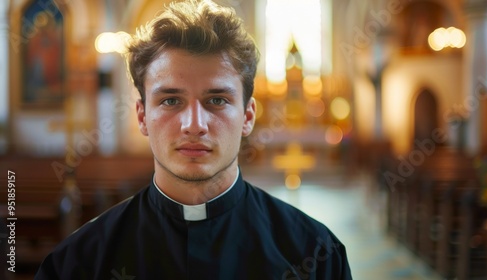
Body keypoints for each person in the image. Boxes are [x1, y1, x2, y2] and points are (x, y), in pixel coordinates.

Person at [35, 0, 352, 279]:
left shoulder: (315, 253)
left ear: (248, 116)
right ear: (142, 116)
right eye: (171, 101)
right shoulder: (78, 263)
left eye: (216, 100)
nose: (194, 125)